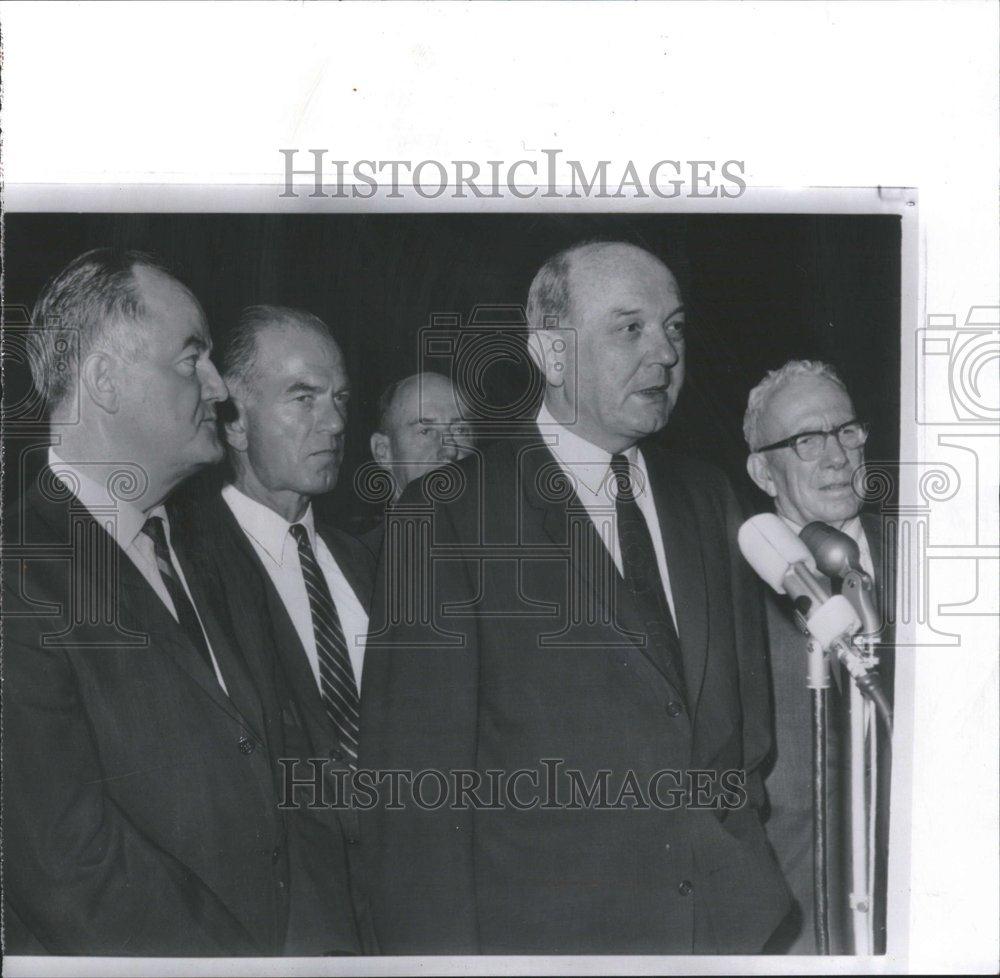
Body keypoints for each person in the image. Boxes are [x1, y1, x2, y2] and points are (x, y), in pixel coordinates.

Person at [360, 240, 791, 954]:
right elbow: (415, 803)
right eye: (631, 328)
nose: (664, 354)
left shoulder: (709, 498)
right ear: (553, 356)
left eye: (674, 327)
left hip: (720, 935)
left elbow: (742, 741)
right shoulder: (447, 515)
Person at [2, 250, 291, 954]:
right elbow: (67, 866)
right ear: (105, 380)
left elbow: (280, 771)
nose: (221, 388)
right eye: (191, 357)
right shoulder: (18, 574)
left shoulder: (211, 550)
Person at [169, 305, 378, 953]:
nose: (337, 422)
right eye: (303, 397)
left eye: (340, 398)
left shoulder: (373, 565)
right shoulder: (182, 571)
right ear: (232, 420)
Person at [743, 358, 891, 954]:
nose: (836, 456)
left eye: (846, 432)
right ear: (764, 471)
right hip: (800, 926)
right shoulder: (731, 589)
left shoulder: (927, 555)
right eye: (806, 440)